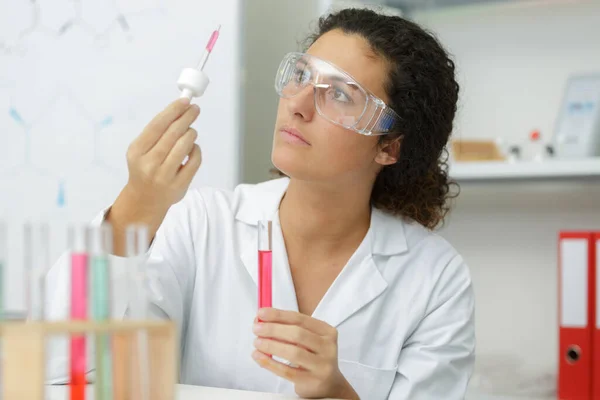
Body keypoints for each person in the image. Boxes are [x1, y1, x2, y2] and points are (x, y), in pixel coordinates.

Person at [45, 7, 475, 400]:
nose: (298, 105)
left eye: (340, 95)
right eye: (303, 76)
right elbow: (64, 374)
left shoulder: (435, 280)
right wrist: (135, 206)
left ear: (389, 147)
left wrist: (340, 394)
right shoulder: (202, 226)